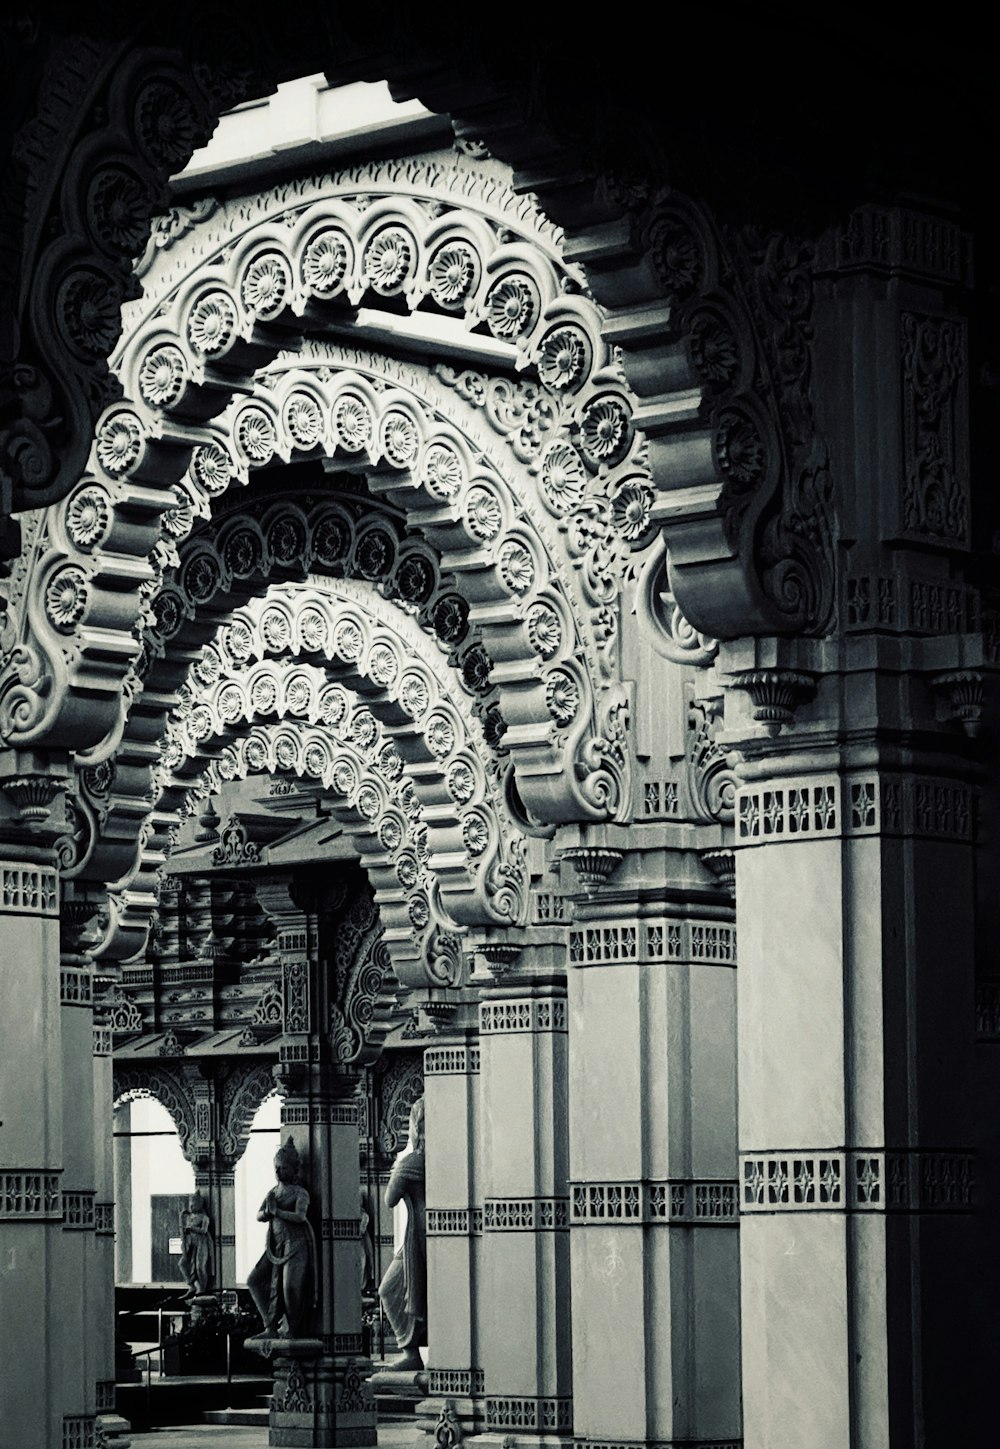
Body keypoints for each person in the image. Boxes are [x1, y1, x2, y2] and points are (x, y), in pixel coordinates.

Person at [247, 1136, 317, 1338]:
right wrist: (268, 1213)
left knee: (290, 1289)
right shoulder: (274, 1192)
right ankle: (269, 1325)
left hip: (296, 1245)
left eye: (283, 1168)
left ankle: (294, 1329)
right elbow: (260, 1214)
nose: (278, 1172)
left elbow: (301, 1216)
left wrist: (277, 1213)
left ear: (294, 1170)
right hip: (275, 1246)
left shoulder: (300, 1193)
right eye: (276, 1168)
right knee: (253, 1280)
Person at [378, 1097, 426, 1370]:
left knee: (388, 1289)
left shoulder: (411, 1162)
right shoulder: (449, 1159)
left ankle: (410, 1352)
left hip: (417, 1235)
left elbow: (389, 1199)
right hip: (446, 1232)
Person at [178, 1191, 214, 1298]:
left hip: (202, 1244)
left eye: (193, 1204)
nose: (191, 1206)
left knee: (200, 1267)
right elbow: (185, 1231)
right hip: (191, 1244)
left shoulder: (204, 1218)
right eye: (190, 1204)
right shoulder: (189, 1217)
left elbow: (203, 1230)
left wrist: (191, 1228)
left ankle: (202, 1289)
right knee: (182, 1264)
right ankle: (191, 1285)